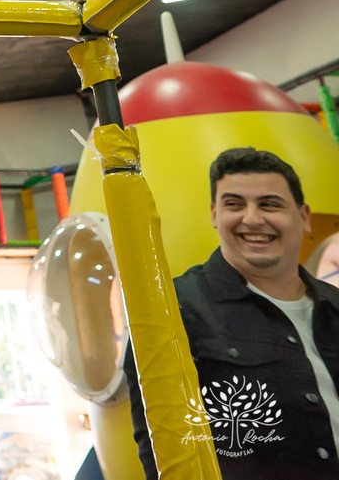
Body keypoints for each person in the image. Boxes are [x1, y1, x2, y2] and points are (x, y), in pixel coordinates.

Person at [125, 147, 339, 480]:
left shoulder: (335, 307)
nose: (252, 219)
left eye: (269, 204)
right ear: (214, 214)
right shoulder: (173, 311)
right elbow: (161, 450)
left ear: (304, 216)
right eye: (234, 204)